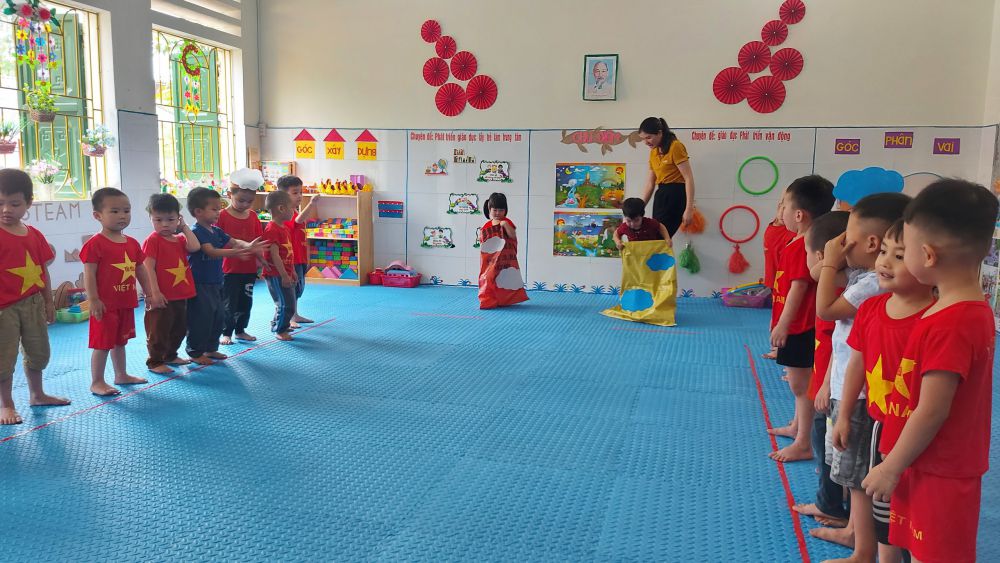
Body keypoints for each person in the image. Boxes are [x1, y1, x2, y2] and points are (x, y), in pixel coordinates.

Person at [863, 180, 998, 563]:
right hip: (920, 458)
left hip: (939, 469)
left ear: (927, 255)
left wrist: (891, 467)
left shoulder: (953, 322)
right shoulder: (956, 309)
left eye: (905, 249)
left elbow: (933, 409)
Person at [830, 219, 933, 563]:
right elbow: (856, 365)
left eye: (899, 256)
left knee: (919, 516)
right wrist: (844, 415)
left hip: (921, 435)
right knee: (884, 514)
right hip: (882, 428)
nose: (885, 262)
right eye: (884, 252)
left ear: (929, 261)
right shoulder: (871, 309)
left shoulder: (935, 318)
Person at [812, 192, 911, 547]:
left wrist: (830, 262)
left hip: (858, 395)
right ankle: (855, 530)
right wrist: (831, 256)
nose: (841, 245)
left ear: (869, 242)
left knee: (855, 474)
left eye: (847, 237)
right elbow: (814, 271)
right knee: (848, 469)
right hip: (844, 386)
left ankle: (860, 540)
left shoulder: (871, 284)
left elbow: (825, 309)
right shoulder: (861, 275)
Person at [769, 175, 835, 462]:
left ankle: (804, 442)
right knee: (800, 383)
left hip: (799, 326)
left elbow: (797, 288)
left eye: (783, 205)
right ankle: (798, 425)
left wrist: (783, 325)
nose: (780, 211)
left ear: (799, 215)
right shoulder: (799, 242)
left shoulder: (803, 246)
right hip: (797, 324)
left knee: (800, 386)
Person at [791, 210, 850, 529]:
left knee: (826, 438)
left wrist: (824, 385)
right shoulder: (845, 290)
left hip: (833, 389)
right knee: (830, 446)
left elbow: (841, 349)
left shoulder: (838, 296)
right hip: (829, 383)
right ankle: (834, 492)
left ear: (820, 257)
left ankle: (829, 503)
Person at [0, 169, 70, 424]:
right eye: (0, 203)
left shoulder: (34, 234)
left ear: (29, 203)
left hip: (33, 303)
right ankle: (6, 404)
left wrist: (49, 301)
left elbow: (42, 270)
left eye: (14, 203)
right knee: (3, 357)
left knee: (39, 351)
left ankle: (37, 394)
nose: (6, 209)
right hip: (3, 309)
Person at [81, 187, 155, 396]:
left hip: (125, 302)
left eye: (126, 211)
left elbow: (140, 269)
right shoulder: (95, 244)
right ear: (98, 215)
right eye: (114, 211)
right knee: (102, 344)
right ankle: (97, 381)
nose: (122, 215)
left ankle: (121, 374)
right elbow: (89, 273)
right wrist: (93, 299)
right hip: (105, 305)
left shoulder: (132, 243)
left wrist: (149, 293)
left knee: (120, 341)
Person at [186, 187, 265, 365]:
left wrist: (248, 246)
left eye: (219, 208)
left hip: (216, 281)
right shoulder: (196, 231)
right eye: (214, 209)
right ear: (198, 212)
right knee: (202, 317)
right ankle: (195, 352)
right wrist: (235, 253)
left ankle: (211, 348)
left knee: (218, 315)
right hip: (200, 283)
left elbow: (234, 241)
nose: (218, 212)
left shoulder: (216, 231)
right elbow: (211, 251)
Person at [141, 194, 200, 375]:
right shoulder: (153, 240)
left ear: (178, 219)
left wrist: (184, 228)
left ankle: (170, 355)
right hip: (162, 296)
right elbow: (148, 268)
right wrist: (154, 292)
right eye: (158, 220)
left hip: (180, 294)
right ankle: (155, 361)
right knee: (158, 330)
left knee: (179, 328)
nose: (165, 224)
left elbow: (195, 247)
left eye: (170, 219)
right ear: (150, 218)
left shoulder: (180, 239)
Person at [217, 176, 264, 345]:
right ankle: (226, 332)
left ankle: (240, 330)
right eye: (241, 200)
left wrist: (261, 261)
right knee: (229, 302)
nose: (245, 204)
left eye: (249, 201)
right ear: (230, 195)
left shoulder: (253, 216)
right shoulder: (221, 216)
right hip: (229, 269)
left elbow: (258, 241)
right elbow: (216, 240)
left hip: (248, 268)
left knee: (246, 301)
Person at [638, 117, 695, 238]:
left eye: (648, 137)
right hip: (661, 195)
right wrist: (639, 208)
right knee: (656, 237)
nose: (646, 142)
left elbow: (688, 178)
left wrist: (689, 209)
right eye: (643, 139)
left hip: (676, 195)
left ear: (660, 132)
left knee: (661, 238)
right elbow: (650, 184)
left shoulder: (675, 146)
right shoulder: (653, 152)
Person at [275, 175, 317, 328]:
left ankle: (294, 314)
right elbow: (298, 221)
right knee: (289, 290)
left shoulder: (294, 211)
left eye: (300, 192)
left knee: (298, 288)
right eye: (295, 193)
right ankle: (287, 318)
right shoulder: (284, 213)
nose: (299, 196)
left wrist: (306, 257)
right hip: (289, 259)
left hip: (299, 258)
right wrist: (311, 204)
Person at [479, 192, 528, 309]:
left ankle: (503, 300)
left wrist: (505, 225)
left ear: (505, 210)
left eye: (501, 210)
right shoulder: (487, 225)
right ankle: (488, 301)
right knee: (488, 278)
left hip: (505, 260)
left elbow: (512, 236)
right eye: (495, 210)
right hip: (491, 260)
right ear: (489, 209)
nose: (497, 213)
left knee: (504, 280)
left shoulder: (507, 222)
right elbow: (483, 243)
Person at [260, 190, 297, 341]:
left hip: (286, 272)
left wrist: (292, 271)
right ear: (281, 208)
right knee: (285, 304)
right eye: (292, 208)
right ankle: (279, 330)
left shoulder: (284, 228)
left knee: (289, 302)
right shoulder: (272, 229)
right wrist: (284, 275)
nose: (294, 211)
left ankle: (280, 324)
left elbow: (288, 253)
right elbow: (274, 255)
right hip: (276, 274)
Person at [763, 199, 796, 359]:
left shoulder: (792, 233)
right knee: (776, 314)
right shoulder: (771, 229)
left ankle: (780, 349)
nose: (783, 214)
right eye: (782, 209)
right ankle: (777, 347)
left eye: (787, 210)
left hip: (785, 282)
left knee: (784, 315)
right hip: (775, 281)